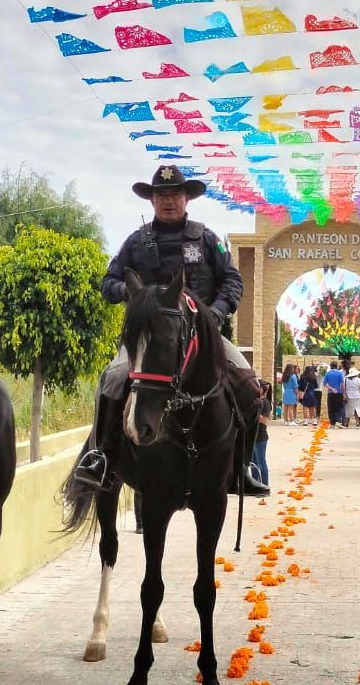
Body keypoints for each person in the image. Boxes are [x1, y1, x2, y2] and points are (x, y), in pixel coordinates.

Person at [71, 165, 268, 496]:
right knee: (114, 377)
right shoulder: (136, 241)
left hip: (202, 336)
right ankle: (101, 456)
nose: (168, 201)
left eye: (174, 194)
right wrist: (132, 295)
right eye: (161, 195)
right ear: (152, 201)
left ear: (186, 198)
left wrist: (217, 313)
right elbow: (108, 282)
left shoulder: (206, 239)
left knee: (249, 383)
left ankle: (242, 466)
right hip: (150, 339)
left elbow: (232, 281)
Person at [323, 358, 347, 427]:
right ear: (336, 366)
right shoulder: (340, 373)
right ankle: (338, 421)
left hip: (330, 393)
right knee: (338, 407)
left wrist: (331, 388)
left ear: (330, 366)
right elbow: (342, 385)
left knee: (331, 408)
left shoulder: (327, 373)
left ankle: (332, 423)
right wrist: (344, 393)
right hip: (339, 393)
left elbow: (325, 383)